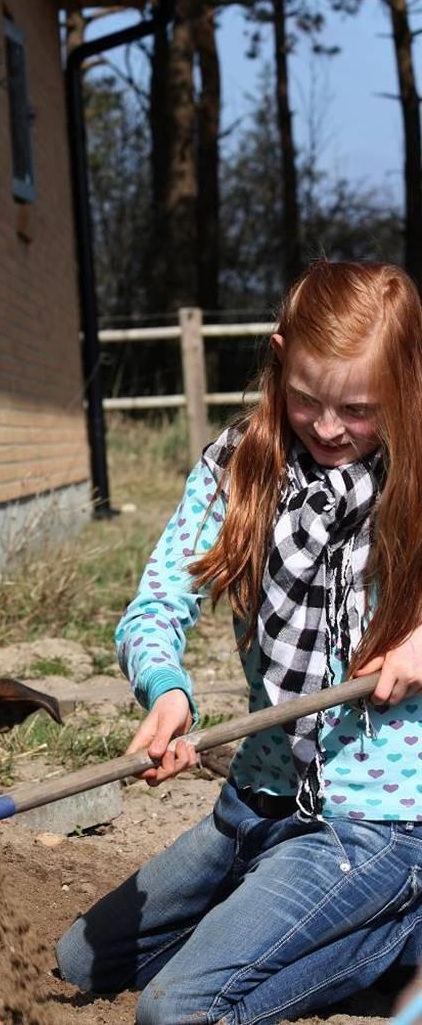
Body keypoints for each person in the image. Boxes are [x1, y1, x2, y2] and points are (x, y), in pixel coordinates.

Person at [56, 260, 422, 1025]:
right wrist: (166, 687)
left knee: (176, 1011)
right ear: (279, 355)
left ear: (404, 380)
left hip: (378, 823)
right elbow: (156, 604)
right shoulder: (238, 468)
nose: (327, 428)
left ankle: (400, 927)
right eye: (305, 399)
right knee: (81, 963)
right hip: (257, 796)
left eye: (358, 409)